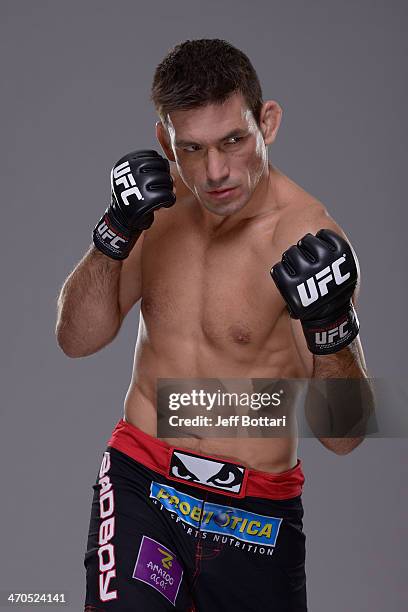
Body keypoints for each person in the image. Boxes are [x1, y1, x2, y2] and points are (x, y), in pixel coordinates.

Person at [56, 39, 368, 611]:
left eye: (233, 140)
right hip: (142, 482)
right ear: (164, 142)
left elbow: (344, 437)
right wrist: (112, 234)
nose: (217, 171)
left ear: (266, 123)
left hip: (252, 516)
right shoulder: (155, 210)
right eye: (192, 149)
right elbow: (76, 340)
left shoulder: (307, 239)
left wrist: (332, 326)